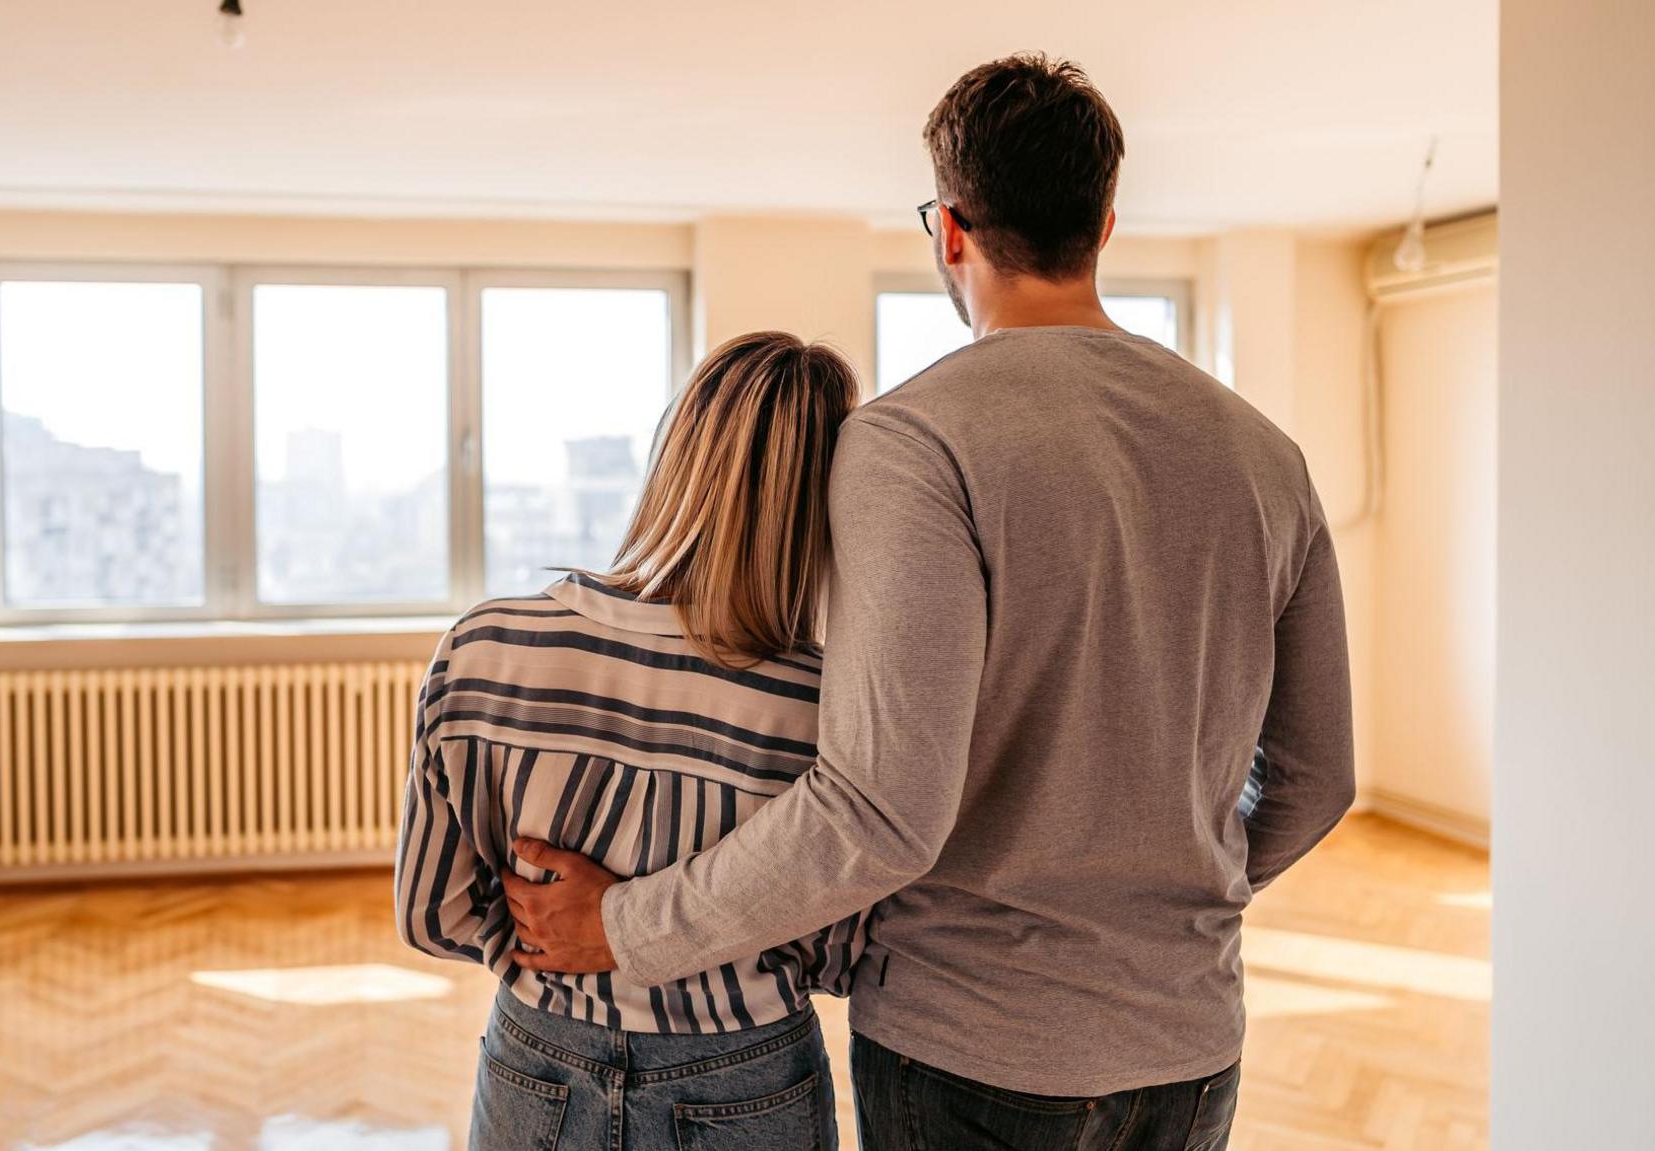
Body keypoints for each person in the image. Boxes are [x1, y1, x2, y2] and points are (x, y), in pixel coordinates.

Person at [502, 53, 1356, 1151]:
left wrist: (622, 925)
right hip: (1190, 1044)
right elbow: (1318, 775)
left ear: (948, 229)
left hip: (970, 1046)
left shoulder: (913, 442)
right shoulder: (1261, 455)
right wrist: (1183, 890)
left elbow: (878, 809)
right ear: (1101, 224)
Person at [394, 331, 865, 1150]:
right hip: (746, 1075)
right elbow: (838, 953)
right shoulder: (831, 703)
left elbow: (432, 913)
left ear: (672, 454)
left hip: (537, 1055)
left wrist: (572, 935)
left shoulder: (484, 644)